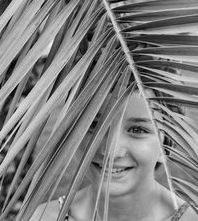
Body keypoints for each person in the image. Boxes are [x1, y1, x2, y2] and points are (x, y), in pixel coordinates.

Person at [30, 91, 197, 221]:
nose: (110, 151)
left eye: (137, 130)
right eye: (95, 125)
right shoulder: (44, 217)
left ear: (165, 145)